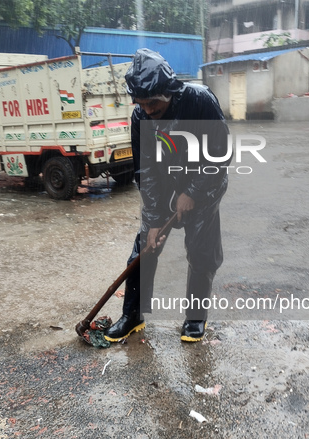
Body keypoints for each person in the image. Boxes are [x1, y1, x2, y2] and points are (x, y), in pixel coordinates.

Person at [104, 48, 230, 343]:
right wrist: (153, 219)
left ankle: (195, 319)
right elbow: (145, 170)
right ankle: (133, 315)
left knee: (201, 252)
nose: (147, 110)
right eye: (141, 103)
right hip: (164, 187)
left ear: (169, 91)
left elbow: (221, 154)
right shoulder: (140, 117)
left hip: (205, 185)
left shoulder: (200, 101)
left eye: (153, 104)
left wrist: (193, 192)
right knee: (143, 251)